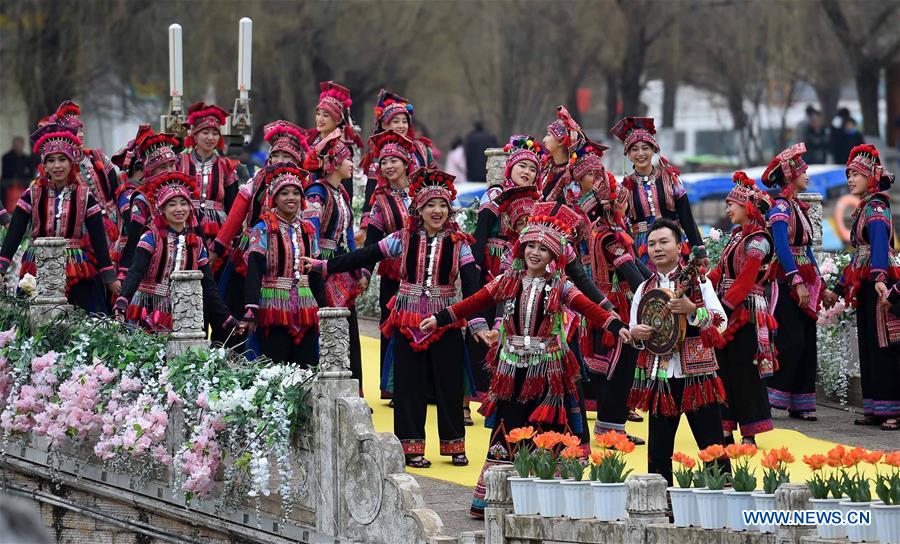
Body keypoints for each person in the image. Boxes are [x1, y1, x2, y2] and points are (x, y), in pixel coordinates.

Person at [419, 201, 630, 518]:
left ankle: (550, 499)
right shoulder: (507, 280)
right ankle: (497, 497)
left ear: (552, 256)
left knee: (547, 429)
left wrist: (617, 326)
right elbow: (473, 302)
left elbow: (589, 308)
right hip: (512, 367)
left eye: (542, 249)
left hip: (547, 368)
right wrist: (439, 319)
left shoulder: (561, 285)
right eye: (530, 245)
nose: (534, 253)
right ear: (521, 248)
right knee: (508, 427)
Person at [305, 167, 477, 469]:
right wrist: (324, 266)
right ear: (418, 209)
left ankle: (454, 445)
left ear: (450, 209)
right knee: (409, 384)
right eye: (430, 205)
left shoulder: (460, 243)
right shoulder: (402, 238)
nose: (437, 211)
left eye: (442, 205)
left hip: (445, 318)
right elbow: (364, 255)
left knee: (449, 383)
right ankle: (411, 447)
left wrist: (477, 323)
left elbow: (473, 283)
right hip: (407, 318)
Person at [628, 219, 728, 486]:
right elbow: (632, 330)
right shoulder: (643, 289)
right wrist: (636, 335)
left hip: (697, 376)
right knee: (658, 450)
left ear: (679, 246)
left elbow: (721, 321)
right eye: (651, 244)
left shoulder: (698, 281)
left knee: (712, 446)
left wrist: (692, 310)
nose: (657, 248)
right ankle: (662, 507)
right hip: (660, 377)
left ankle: (720, 506)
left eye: (664, 242)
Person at [572, 139, 650, 443]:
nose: (624, 207)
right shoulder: (607, 234)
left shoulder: (610, 230)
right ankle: (608, 430)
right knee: (616, 368)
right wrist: (656, 288)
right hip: (609, 304)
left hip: (611, 301)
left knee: (614, 369)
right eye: (620, 202)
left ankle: (610, 428)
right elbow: (631, 270)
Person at [0, 123, 120, 312]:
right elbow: (15, 233)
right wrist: (1, 267)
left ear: (71, 162)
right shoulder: (32, 193)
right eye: (51, 160)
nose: (57, 166)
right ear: (44, 165)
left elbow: (98, 239)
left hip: (76, 269)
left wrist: (109, 277)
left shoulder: (84, 195)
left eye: (62, 159)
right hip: (37, 267)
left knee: (85, 324)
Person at [211, 120, 310, 342]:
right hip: (249, 259)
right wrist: (217, 249)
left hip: (286, 262)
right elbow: (235, 218)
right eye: (276, 156)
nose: (280, 161)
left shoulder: (303, 186)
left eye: (287, 157)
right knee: (236, 308)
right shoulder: (256, 181)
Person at [825, 144, 900, 430]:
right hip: (868, 284)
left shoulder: (877, 206)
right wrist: (838, 288)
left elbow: (880, 246)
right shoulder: (865, 207)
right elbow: (859, 258)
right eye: (848, 175)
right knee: (869, 343)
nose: (850, 180)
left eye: (855, 174)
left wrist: (881, 278)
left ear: (870, 176)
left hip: (880, 284)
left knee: (884, 344)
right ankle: (875, 407)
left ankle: (892, 408)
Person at [115, 171, 238, 335]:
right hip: (146, 309)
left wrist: (227, 319)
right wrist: (123, 300)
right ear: (162, 209)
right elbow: (136, 271)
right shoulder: (151, 237)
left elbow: (208, 285)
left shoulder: (197, 244)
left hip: (182, 312)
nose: (179, 209)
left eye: (183, 203)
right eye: (172, 204)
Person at [707, 172, 777, 446]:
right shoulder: (737, 237)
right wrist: (700, 283)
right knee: (723, 370)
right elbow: (720, 271)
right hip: (727, 311)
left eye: (730, 204)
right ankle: (725, 428)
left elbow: (746, 280)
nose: (727, 209)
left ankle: (749, 431)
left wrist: (722, 307)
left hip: (745, 312)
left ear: (746, 207)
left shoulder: (759, 241)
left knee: (746, 373)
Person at [761, 143, 823, 421]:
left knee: (808, 340)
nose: (807, 173)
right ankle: (774, 395)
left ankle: (802, 402)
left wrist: (820, 283)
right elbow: (783, 248)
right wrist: (795, 280)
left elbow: (807, 248)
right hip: (786, 280)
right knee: (791, 340)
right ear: (790, 175)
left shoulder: (799, 207)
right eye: (803, 170)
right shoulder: (780, 209)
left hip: (805, 277)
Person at [241, 165, 326, 366]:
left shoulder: (308, 229)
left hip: (306, 306)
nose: (292, 198)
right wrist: (251, 307)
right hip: (274, 305)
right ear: (274, 198)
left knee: (306, 363)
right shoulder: (263, 229)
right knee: (275, 363)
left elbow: (314, 272)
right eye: (284, 193)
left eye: (296, 193)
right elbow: (254, 270)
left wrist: (324, 308)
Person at [303, 129, 367, 392]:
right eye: (348, 159)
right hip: (323, 269)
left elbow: (349, 236)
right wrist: (319, 265)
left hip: (341, 265)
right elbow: (312, 230)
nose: (352, 164)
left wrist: (359, 269)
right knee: (331, 325)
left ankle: (354, 388)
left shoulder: (341, 193)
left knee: (349, 327)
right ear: (335, 163)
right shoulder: (317, 192)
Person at [361, 130, 417, 399]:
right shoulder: (380, 199)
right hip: (394, 273)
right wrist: (363, 274)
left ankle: (422, 384)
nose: (389, 166)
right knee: (391, 325)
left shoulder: (423, 190)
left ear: (406, 163)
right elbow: (372, 240)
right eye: (384, 162)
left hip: (422, 272)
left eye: (394, 161)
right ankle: (394, 386)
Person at [610, 117, 706, 265]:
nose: (640, 153)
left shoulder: (670, 178)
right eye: (634, 149)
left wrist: (700, 250)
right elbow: (621, 225)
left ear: (654, 150)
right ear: (628, 155)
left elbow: (686, 216)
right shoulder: (624, 188)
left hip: (673, 242)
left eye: (645, 148)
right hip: (644, 248)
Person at [53, 100, 121, 260]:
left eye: (81, 130)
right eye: (76, 131)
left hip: (112, 226)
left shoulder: (96, 157)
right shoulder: (58, 167)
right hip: (81, 230)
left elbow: (117, 189)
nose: (81, 135)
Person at [360, 89, 435, 230]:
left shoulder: (422, 149)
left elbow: (433, 179)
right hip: (392, 213)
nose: (401, 126)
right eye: (396, 121)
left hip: (423, 211)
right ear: (384, 124)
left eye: (404, 121)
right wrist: (365, 225)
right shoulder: (378, 153)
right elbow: (371, 192)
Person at [114, 126, 179, 277]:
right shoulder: (134, 196)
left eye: (172, 164)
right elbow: (134, 233)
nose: (170, 170)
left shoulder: (179, 193)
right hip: (143, 259)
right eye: (163, 167)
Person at [177, 102, 239, 247]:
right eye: (205, 133)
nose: (210, 138)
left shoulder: (226, 166)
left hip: (218, 231)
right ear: (195, 135)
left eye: (215, 133)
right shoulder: (179, 163)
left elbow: (232, 207)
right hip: (184, 225)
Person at [304, 81, 363, 198]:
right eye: (318, 114)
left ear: (337, 120)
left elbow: (347, 183)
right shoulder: (308, 143)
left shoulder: (342, 148)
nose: (319, 119)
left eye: (325, 115)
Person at [540, 106, 583, 205]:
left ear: (560, 141)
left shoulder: (571, 176)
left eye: (548, 135)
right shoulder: (547, 166)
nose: (543, 139)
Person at [1, 136, 38, 211]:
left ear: (22, 145)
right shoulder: (6, 157)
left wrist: (26, 179)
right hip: (9, 183)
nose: (17, 147)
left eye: (19, 145)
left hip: (23, 182)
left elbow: (31, 171)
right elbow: (6, 172)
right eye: (16, 145)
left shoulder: (26, 158)